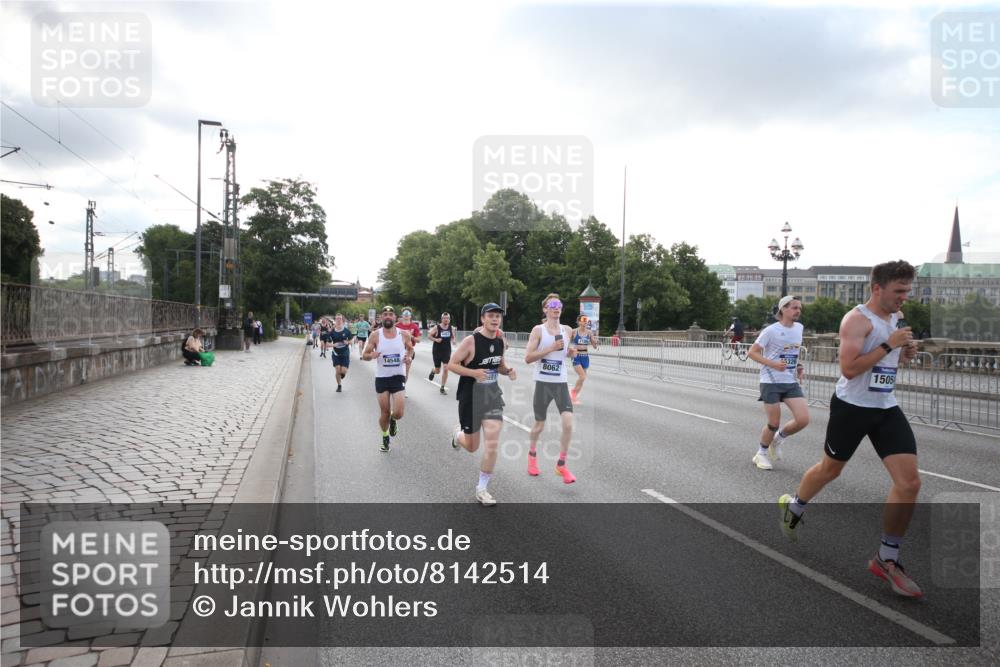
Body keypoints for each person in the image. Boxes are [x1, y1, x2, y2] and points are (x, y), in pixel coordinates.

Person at [779, 260, 923, 598]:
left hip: (885, 408)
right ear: (878, 288)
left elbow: (892, 362)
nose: (904, 297)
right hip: (852, 408)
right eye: (899, 291)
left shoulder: (895, 319)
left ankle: (887, 559)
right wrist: (889, 344)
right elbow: (849, 369)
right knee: (830, 470)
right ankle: (795, 505)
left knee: (910, 482)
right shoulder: (857, 320)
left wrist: (905, 352)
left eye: (907, 291)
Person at [447, 303, 517, 506]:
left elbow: (500, 365)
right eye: (491, 316)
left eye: (498, 316)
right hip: (470, 397)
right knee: (471, 446)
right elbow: (452, 364)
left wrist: (508, 370)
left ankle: (482, 489)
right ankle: (458, 435)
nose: (495, 319)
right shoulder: (471, 341)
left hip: (492, 395)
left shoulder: (500, 340)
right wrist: (474, 373)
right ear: (483, 319)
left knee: (492, 443)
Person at [747, 295, 809, 471]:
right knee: (773, 423)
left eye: (799, 308)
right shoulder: (770, 331)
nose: (798, 311)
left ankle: (778, 439)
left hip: (790, 380)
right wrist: (774, 364)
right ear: (783, 309)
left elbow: (792, 351)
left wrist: (798, 365)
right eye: (794, 307)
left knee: (803, 419)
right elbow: (752, 353)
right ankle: (761, 453)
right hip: (770, 380)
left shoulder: (799, 328)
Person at [523, 294, 578, 483]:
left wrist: (570, 352)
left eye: (559, 305)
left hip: (560, 383)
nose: (556, 308)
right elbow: (528, 358)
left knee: (569, 423)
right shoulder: (538, 330)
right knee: (539, 425)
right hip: (543, 383)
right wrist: (551, 348)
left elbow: (565, 354)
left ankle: (561, 465)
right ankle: (532, 456)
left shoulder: (568, 330)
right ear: (545, 309)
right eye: (552, 305)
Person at [362, 306, 414, 452]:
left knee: (398, 413)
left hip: (398, 376)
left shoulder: (404, 334)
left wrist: (408, 357)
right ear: (381, 318)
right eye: (385, 314)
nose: (388, 317)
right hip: (382, 377)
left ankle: (393, 420)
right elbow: (365, 355)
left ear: (395, 318)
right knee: (384, 412)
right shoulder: (375, 335)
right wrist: (370, 356)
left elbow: (410, 348)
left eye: (391, 314)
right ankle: (385, 436)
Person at [570, 315, 599, 404]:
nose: (585, 322)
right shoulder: (574, 332)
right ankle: (573, 393)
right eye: (583, 320)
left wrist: (594, 341)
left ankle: (574, 396)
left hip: (585, 357)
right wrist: (570, 350)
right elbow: (567, 342)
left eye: (586, 321)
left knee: (582, 378)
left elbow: (595, 347)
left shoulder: (589, 332)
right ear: (579, 322)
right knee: (582, 376)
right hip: (576, 356)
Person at [427, 312, 456, 395]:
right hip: (437, 350)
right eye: (444, 318)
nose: (446, 320)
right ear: (442, 319)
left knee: (446, 368)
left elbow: (453, 337)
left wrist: (453, 341)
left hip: (446, 351)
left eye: (447, 318)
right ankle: (433, 371)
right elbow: (429, 336)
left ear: (449, 320)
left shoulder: (452, 328)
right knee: (438, 370)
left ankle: (442, 387)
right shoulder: (437, 327)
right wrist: (436, 340)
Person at [329, 313, 354, 392]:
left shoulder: (346, 331)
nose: (338, 320)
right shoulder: (332, 332)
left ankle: (342, 373)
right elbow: (327, 344)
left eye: (340, 319)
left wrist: (348, 342)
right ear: (335, 320)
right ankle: (339, 385)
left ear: (342, 320)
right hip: (336, 353)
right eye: (337, 319)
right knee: (337, 370)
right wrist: (333, 344)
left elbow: (351, 340)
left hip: (345, 353)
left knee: (343, 371)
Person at [395, 308, 421, 381]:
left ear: (410, 316)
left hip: (409, 350)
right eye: (404, 314)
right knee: (397, 370)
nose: (406, 316)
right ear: (402, 316)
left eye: (408, 314)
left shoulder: (414, 326)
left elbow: (418, 340)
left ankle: (403, 385)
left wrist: (411, 336)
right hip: (398, 350)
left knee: (406, 372)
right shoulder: (396, 326)